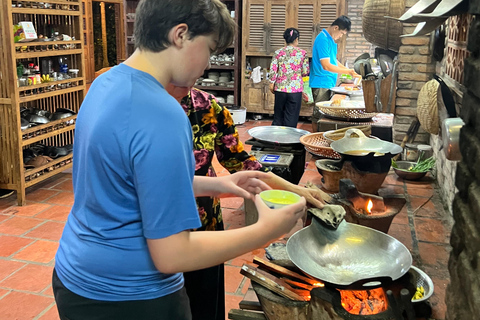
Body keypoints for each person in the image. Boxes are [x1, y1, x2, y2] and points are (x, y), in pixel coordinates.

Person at [52, 1, 306, 319]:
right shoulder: (163, 112)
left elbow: (129, 180)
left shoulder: (106, 83)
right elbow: (171, 255)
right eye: (209, 50)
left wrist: (217, 184)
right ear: (181, 35)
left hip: (75, 276)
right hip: (130, 297)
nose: (207, 65)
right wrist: (265, 231)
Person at [166, 86, 329, 320]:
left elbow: (243, 164)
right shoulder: (139, 107)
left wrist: (297, 190)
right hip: (158, 233)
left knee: (204, 304)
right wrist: (264, 231)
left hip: (205, 222)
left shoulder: (206, 106)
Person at [309, 15, 358, 103]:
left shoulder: (330, 40)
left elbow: (333, 61)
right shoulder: (323, 40)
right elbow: (326, 66)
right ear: (336, 28)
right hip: (321, 83)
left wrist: (349, 70)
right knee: (320, 114)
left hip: (328, 82)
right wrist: (347, 72)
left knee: (324, 111)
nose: (341, 36)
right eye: (342, 33)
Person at [268, 28, 309, 128]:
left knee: (278, 117)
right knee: (291, 118)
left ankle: (276, 140)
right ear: (296, 39)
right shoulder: (303, 53)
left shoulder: (278, 52)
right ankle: (288, 141)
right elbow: (305, 72)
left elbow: (273, 70)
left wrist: (271, 83)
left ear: (285, 39)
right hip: (295, 90)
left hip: (280, 89)